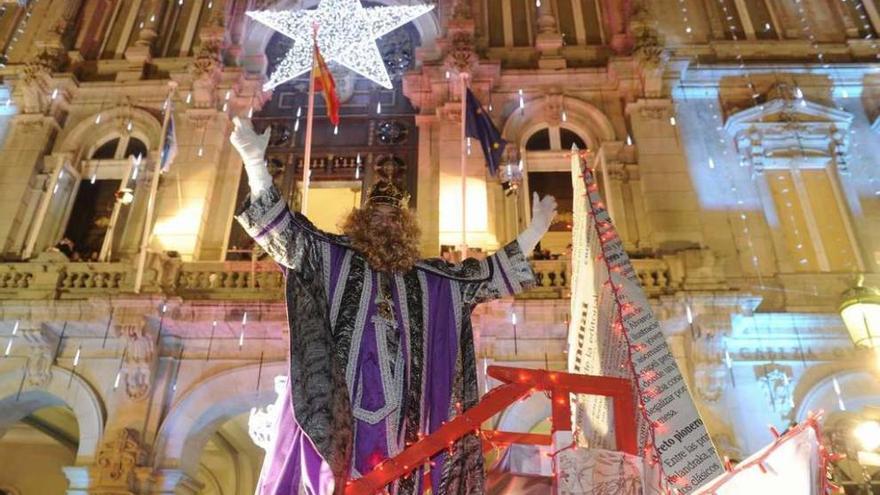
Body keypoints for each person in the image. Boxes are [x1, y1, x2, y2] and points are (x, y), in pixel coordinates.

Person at [230, 117, 557, 495]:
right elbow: (284, 233)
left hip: (406, 413)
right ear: (361, 221)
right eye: (377, 217)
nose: (385, 224)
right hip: (341, 409)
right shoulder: (332, 257)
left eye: (393, 218)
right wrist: (255, 164)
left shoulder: (430, 279)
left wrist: (532, 234)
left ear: (405, 227)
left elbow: (484, 277)